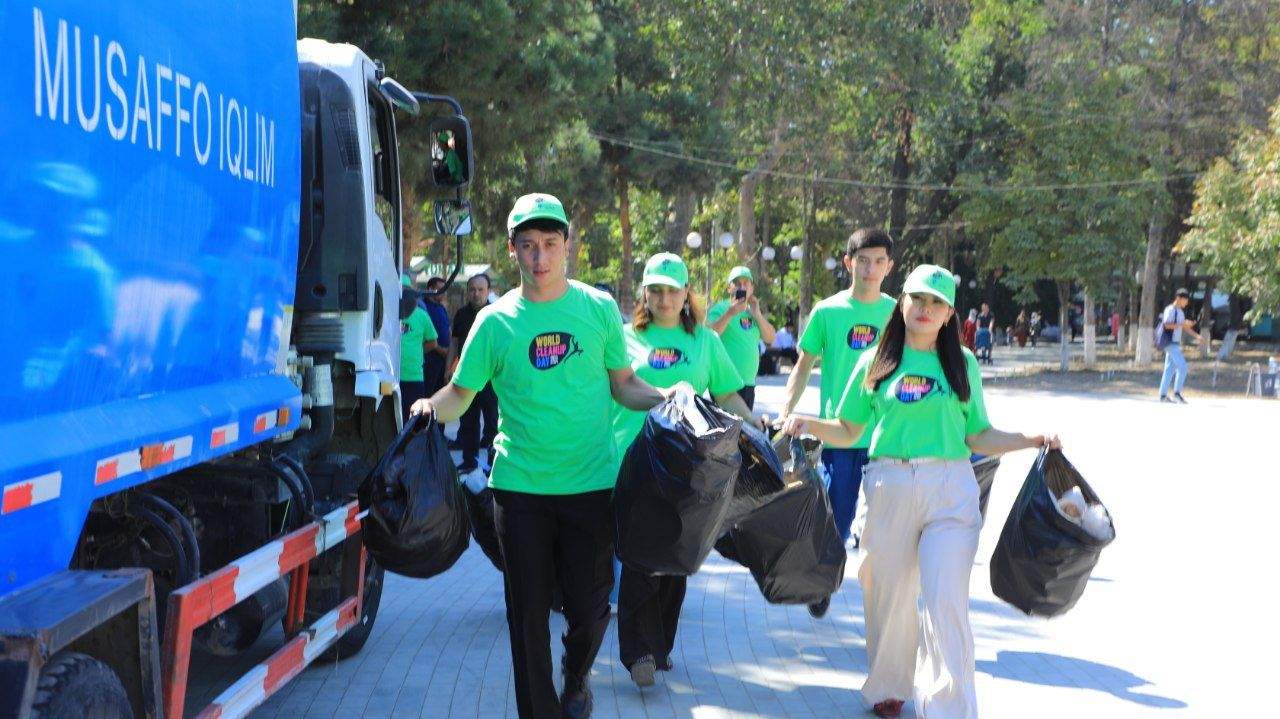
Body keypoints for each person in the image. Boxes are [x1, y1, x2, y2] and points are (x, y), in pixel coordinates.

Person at [411, 193, 675, 719]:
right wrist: (426, 407)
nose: (540, 258)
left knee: (590, 608)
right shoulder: (495, 321)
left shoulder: (598, 310)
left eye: (550, 245)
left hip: (592, 485)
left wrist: (668, 399)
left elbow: (623, 385)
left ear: (566, 246)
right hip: (521, 488)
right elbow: (461, 394)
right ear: (512, 250)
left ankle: (577, 676)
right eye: (528, 246)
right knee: (527, 616)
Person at [782, 264, 1059, 719]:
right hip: (889, 485)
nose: (925, 309)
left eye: (937, 303)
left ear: (950, 313)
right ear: (903, 303)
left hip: (950, 491)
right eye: (918, 299)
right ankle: (889, 686)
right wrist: (805, 422)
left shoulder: (963, 363)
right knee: (886, 594)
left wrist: (1028, 439)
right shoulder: (873, 359)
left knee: (944, 601)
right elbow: (851, 429)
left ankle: (950, 709)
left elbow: (978, 436)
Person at [613, 252, 756, 689]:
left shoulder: (706, 342)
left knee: (677, 559)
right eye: (654, 289)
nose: (663, 297)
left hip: (689, 467)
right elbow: (612, 389)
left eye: (672, 289)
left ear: (686, 293)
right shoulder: (623, 338)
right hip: (634, 460)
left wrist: (758, 429)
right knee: (639, 557)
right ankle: (638, 651)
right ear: (644, 292)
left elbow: (728, 396)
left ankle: (660, 649)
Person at [781, 228, 896, 572]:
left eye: (878, 262)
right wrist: (786, 412)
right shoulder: (827, 312)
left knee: (887, 528)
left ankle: (878, 588)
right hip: (839, 435)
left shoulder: (899, 315)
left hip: (885, 438)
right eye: (863, 261)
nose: (870, 269)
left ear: (889, 267)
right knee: (838, 518)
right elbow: (802, 367)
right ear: (848, 263)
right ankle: (823, 577)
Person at [448, 273, 498, 473]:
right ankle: (469, 461)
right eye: (472, 289)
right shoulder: (461, 315)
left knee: (492, 422)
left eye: (480, 290)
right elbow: (453, 343)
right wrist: (448, 370)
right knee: (468, 422)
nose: (476, 294)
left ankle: (494, 465)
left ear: (488, 291)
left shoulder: (496, 314)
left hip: (491, 379)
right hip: (467, 378)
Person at [707, 266, 777, 410]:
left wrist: (757, 314)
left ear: (752, 288)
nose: (742, 287)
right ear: (729, 288)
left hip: (748, 383)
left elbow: (770, 338)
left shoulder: (753, 311)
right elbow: (709, 336)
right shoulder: (720, 309)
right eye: (737, 283)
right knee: (726, 431)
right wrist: (730, 313)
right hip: (725, 384)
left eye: (746, 283)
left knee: (745, 430)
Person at [398, 274, 439, 422]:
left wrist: (418, 351)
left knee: (413, 420)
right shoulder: (384, 313)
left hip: (413, 376)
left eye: (405, 291)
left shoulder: (421, 315)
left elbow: (433, 342)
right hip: (389, 377)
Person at [1158, 288, 1203, 404]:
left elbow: (1184, 327)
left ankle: (1163, 396)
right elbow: (1167, 325)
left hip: (1174, 343)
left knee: (1169, 369)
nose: (1186, 303)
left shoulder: (1181, 312)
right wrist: (1182, 324)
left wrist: (1197, 336)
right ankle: (1177, 393)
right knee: (1182, 367)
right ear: (1178, 298)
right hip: (1169, 343)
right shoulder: (1170, 309)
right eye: (1185, 300)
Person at [421, 276, 452, 397]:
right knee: (428, 395)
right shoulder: (423, 307)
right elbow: (425, 337)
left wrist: (450, 351)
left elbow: (448, 330)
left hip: (444, 362)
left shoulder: (441, 308)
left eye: (444, 290)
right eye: (440, 289)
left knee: (441, 396)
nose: (443, 293)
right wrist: (441, 350)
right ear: (430, 289)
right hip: (430, 361)